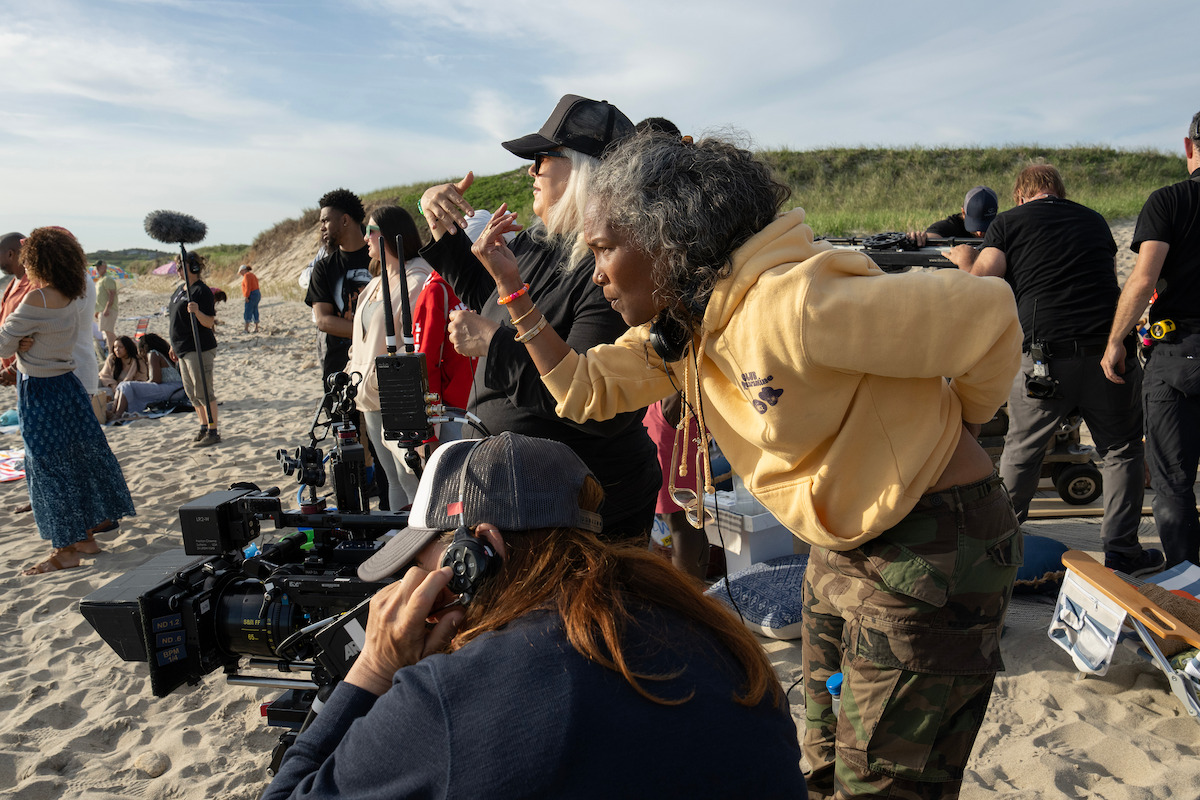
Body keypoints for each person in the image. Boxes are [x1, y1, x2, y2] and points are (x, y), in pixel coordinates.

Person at [473, 131, 1024, 799]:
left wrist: (959, 420)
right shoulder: (687, 326)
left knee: (885, 786)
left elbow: (989, 311)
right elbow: (584, 390)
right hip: (839, 545)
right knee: (820, 759)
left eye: (604, 250)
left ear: (665, 239)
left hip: (935, 539)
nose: (596, 274)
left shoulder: (797, 305)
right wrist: (514, 292)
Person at [261, 432, 805, 799]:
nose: (415, 590)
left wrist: (375, 669)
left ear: (478, 553)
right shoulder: (707, 630)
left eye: (422, 567)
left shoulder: (449, 697)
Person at [417, 93, 660, 543]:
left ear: (582, 169)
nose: (531, 170)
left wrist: (494, 344)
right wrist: (440, 226)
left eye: (542, 157)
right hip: (529, 496)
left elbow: (592, 406)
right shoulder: (541, 241)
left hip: (588, 506)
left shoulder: (613, 269)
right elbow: (494, 300)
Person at [970, 163, 1162, 577]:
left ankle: (1000, 546)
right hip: (1109, 354)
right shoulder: (1094, 220)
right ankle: (1123, 551)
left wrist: (963, 258)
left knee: (1023, 450)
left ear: (1021, 195)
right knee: (1122, 449)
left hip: (1044, 360)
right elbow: (1111, 283)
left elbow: (981, 281)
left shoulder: (1008, 222)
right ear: (1059, 191)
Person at [0, 227, 135, 575]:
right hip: (68, 387)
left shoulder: (37, 299)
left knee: (48, 470)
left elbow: (1, 344)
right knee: (77, 462)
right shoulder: (75, 293)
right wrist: (26, 339)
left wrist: (19, 342)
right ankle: (86, 537)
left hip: (41, 391)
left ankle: (65, 550)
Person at [1102, 111, 1200, 569]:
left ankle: (1187, 586)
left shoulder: (1169, 201)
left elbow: (1143, 280)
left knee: (1173, 483)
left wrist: (1116, 340)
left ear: (1188, 146)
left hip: (1178, 355)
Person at [346, 206, 436, 511]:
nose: (365, 237)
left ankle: (416, 544)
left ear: (391, 235)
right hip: (366, 395)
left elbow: (417, 338)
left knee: (411, 476)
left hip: (397, 393)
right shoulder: (373, 284)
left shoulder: (417, 279)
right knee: (392, 479)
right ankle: (399, 543)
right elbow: (360, 340)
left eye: (371, 231)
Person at [305, 188, 373, 381]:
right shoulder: (324, 268)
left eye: (325, 221)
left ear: (344, 220)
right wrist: (374, 332)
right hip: (339, 370)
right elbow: (323, 320)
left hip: (378, 367)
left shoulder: (380, 259)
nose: (322, 227)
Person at [169, 250, 220, 446]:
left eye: (181, 266)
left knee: (204, 391)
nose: (178, 270)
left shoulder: (201, 291)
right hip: (182, 348)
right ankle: (203, 426)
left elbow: (209, 322)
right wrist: (173, 344)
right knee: (191, 393)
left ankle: (213, 430)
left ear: (193, 267)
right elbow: (175, 320)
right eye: (177, 266)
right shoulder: (180, 291)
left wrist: (197, 312)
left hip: (199, 348)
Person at [909, 185, 999, 269]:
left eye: (985, 226)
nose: (980, 233)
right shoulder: (952, 225)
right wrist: (921, 238)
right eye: (975, 226)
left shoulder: (1002, 228)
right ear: (963, 212)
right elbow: (934, 236)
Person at [109, 333, 184, 420]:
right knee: (123, 385)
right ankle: (114, 412)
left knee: (127, 385)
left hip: (172, 389)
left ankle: (118, 415)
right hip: (175, 388)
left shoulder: (153, 354)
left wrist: (142, 384)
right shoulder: (160, 354)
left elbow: (156, 380)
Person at [0, 232, 32, 388]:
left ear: (10, 254)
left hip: (27, 371)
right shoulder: (12, 283)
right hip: (12, 370)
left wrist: (13, 370)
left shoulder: (34, 285)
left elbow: (33, 336)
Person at [94, 259, 118, 354]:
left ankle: (112, 353)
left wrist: (107, 308)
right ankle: (113, 352)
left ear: (104, 267)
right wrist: (98, 311)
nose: (97, 269)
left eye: (99, 267)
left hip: (108, 310)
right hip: (102, 310)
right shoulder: (101, 280)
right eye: (97, 267)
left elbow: (112, 294)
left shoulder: (107, 279)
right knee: (107, 332)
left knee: (109, 332)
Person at [239, 265, 260, 333]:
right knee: (255, 310)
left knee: (248, 310)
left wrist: (246, 296)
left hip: (252, 294)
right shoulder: (252, 275)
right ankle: (256, 328)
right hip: (257, 293)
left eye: (241, 272)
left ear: (243, 270)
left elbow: (248, 287)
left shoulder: (247, 275)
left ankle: (246, 329)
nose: (241, 274)